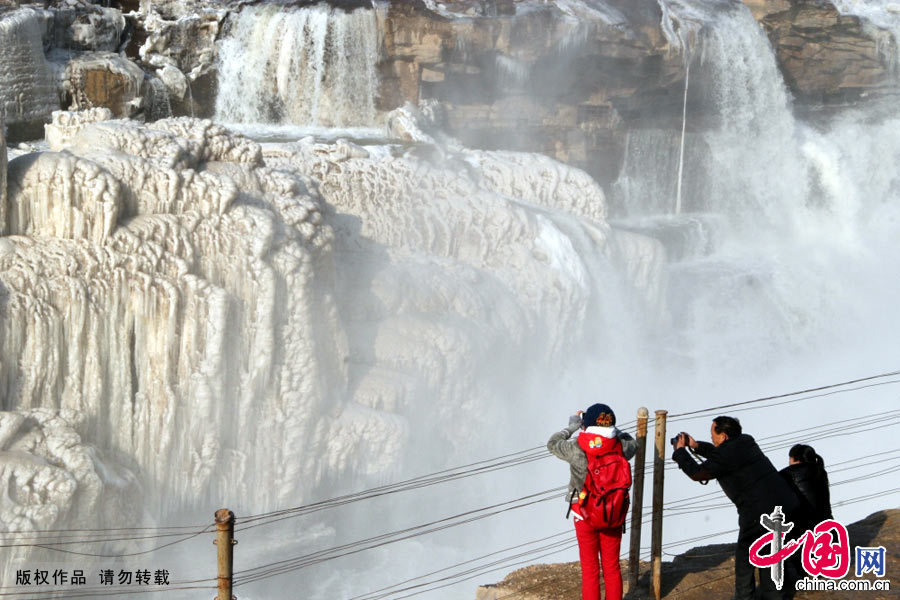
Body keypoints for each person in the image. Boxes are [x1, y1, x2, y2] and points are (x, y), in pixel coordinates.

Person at [672, 416, 801, 600]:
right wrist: (696, 446)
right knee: (769, 551)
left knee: (746, 556)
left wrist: (680, 452)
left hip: (758, 511)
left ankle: (745, 597)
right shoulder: (746, 441)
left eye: (713, 435)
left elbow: (697, 473)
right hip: (783, 503)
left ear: (723, 436)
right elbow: (723, 455)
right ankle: (774, 595)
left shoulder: (725, 454)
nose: (712, 438)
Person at [547, 403, 636, 600]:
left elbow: (552, 443)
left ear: (586, 425)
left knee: (590, 569)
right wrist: (613, 430)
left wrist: (572, 426)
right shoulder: (621, 446)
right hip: (613, 511)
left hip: (583, 512)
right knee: (612, 567)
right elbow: (633, 442)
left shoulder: (576, 447)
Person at [780, 444, 832, 530]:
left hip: (805, 529)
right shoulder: (820, 471)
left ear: (795, 459)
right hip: (827, 524)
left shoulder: (789, 473)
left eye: (790, 458)